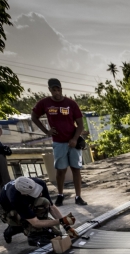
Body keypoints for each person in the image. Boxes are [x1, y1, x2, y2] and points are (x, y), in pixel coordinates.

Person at [31, 78, 87, 206]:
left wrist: (74, 139)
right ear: (50, 90)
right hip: (58, 142)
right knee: (60, 170)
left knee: (76, 169)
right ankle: (60, 195)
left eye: (58, 89)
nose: (56, 92)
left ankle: (78, 197)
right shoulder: (45, 103)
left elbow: (80, 125)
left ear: (61, 89)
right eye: (53, 89)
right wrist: (46, 131)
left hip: (73, 141)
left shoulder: (71, 103)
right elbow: (34, 117)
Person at [0, 176, 77, 246]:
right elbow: (36, 222)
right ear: (23, 194)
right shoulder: (15, 197)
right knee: (28, 222)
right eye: (34, 193)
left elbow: (51, 207)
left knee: (44, 202)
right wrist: (61, 220)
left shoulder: (39, 183)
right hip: (9, 212)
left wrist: (67, 226)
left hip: (24, 203)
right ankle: (32, 235)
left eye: (37, 190)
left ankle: (21, 227)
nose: (40, 194)